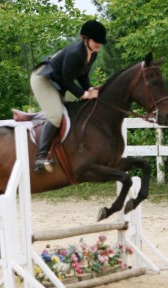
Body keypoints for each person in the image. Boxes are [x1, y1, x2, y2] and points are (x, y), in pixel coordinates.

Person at [30, 20, 107, 173]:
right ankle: (40, 158)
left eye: (100, 41)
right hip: (42, 79)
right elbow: (67, 80)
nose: (99, 44)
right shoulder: (75, 53)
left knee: (70, 114)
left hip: (57, 82)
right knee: (56, 115)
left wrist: (90, 88)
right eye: (96, 40)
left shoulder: (93, 53)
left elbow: (82, 76)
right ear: (86, 39)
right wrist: (84, 94)